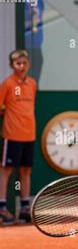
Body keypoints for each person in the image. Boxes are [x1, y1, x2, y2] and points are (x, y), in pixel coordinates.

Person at [0, 50, 37, 224]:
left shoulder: (32, 84)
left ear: (28, 64)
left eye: (24, 63)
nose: (21, 66)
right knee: (6, 171)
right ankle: (2, 209)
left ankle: (24, 209)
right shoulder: (7, 84)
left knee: (25, 170)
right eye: (17, 63)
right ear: (11, 65)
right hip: (12, 135)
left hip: (29, 135)